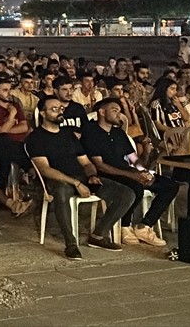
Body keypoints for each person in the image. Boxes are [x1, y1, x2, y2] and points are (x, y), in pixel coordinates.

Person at [27, 97, 135, 260]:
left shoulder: (68, 134)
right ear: (43, 113)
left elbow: (85, 162)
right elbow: (45, 169)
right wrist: (75, 183)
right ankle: (70, 243)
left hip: (81, 178)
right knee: (62, 192)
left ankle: (99, 235)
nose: (59, 112)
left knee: (126, 193)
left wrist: (91, 175)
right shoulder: (36, 138)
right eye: (54, 109)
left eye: (60, 109)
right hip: (58, 180)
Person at [80, 99, 176, 247]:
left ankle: (145, 226)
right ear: (102, 112)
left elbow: (133, 160)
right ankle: (125, 227)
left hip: (126, 171)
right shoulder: (91, 133)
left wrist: (144, 168)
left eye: (119, 110)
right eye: (114, 110)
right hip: (106, 174)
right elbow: (100, 165)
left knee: (170, 185)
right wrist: (134, 176)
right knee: (135, 186)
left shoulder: (119, 133)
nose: (119, 114)